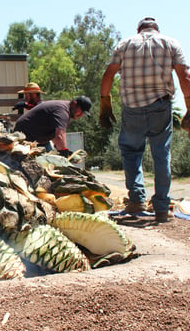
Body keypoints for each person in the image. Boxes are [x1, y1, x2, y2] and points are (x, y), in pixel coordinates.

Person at [100, 16, 190, 223]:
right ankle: (160, 207)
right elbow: (185, 76)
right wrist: (189, 106)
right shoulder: (170, 43)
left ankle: (137, 200)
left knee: (131, 153)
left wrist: (105, 105)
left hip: (132, 108)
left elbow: (108, 75)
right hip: (161, 106)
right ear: (156, 29)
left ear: (139, 29)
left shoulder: (125, 44)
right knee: (161, 154)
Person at [13, 96, 92, 154]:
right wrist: (63, 152)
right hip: (25, 136)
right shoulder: (63, 111)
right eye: (81, 111)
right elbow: (59, 135)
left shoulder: (65, 110)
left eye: (83, 114)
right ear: (74, 104)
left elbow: (55, 134)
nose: (81, 115)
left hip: (37, 140)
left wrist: (61, 150)